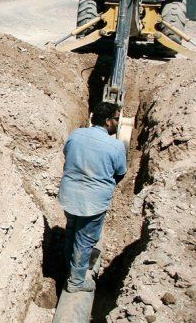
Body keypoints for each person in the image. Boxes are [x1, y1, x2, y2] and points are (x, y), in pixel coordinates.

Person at [58, 102, 127, 293]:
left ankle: (68, 266)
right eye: (116, 119)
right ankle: (76, 282)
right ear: (107, 121)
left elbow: (68, 155)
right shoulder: (116, 146)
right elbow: (120, 173)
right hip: (94, 202)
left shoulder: (76, 134)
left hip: (69, 196)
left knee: (71, 230)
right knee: (86, 239)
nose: (117, 123)